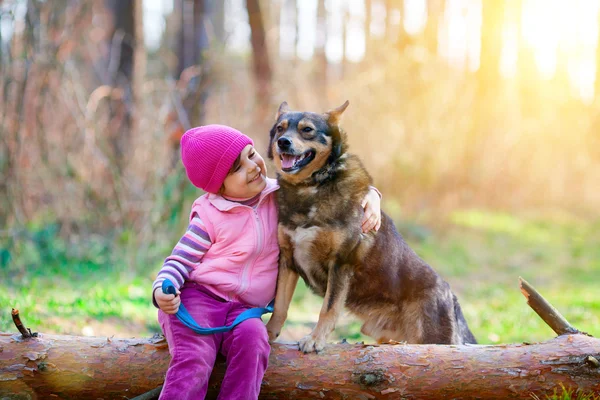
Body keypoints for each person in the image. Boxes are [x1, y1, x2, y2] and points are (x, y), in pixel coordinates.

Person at [152, 124, 382, 400]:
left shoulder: (282, 195)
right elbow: (180, 260)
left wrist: (371, 195)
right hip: (199, 301)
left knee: (255, 340)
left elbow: (335, 187)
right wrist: (163, 289)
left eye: (251, 154)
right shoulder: (209, 215)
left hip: (243, 311)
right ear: (218, 184)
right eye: (237, 168)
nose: (252, 166)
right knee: (195, 358)